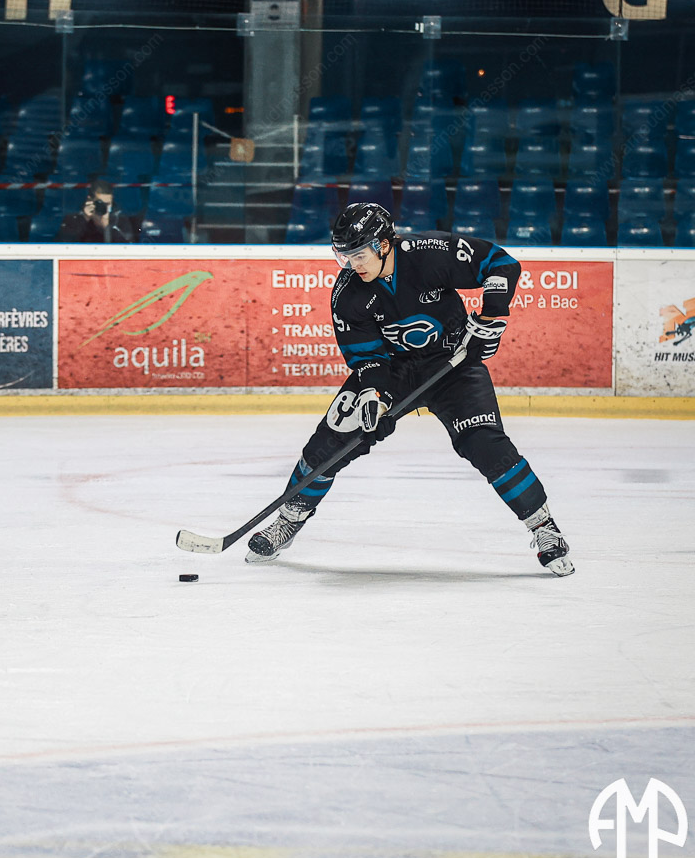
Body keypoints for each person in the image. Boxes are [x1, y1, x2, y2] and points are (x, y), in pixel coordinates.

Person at [245, 202, 574, 577]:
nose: (352, 264)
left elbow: (501, 263)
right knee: (330, 442)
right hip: (394, 371)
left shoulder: (428, 253)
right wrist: (375, 397)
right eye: (345, 256)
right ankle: (287, 521)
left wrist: (492, 315)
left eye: (359, 254)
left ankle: (544, 527)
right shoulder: (348, 294)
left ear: (383, 244)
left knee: (485, 444)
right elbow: (368, 358)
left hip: (453, 363)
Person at [58, 179, 139, 243]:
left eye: (108, 204)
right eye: (100, 203)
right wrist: (84, 219)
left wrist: (107, 228)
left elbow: (128, 246)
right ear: (90, 200)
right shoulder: (74, 219)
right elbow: (63, 243)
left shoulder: (119, 220)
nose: (104, 207)